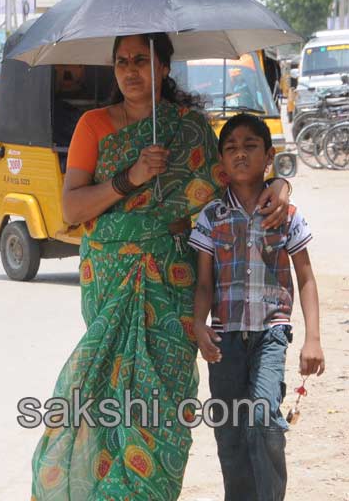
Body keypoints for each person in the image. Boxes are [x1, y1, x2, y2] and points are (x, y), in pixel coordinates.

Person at [29, 33, 292, 500]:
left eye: (142, 61)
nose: (130, 71)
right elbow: (71, 209)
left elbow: (233, 183)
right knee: (107, 397)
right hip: (112, 279)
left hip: (172, 284)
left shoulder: (189, 129)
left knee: (162, 408)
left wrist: (281, 183)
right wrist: (130, 178)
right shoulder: (93, 126)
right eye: (121, 62)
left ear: (164, 68)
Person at [190, 114, 324, 501]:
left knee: (263, 419)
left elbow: (306, 277)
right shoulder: (211, 218)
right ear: (221, 164)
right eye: (231, 147)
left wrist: (312, 339)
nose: (240, 153)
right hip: (224, 339)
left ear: (268, 156)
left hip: (271, 333)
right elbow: (203, 282)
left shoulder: (286, 215)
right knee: (229, 432)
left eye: (250, 145)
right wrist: (199, 324)